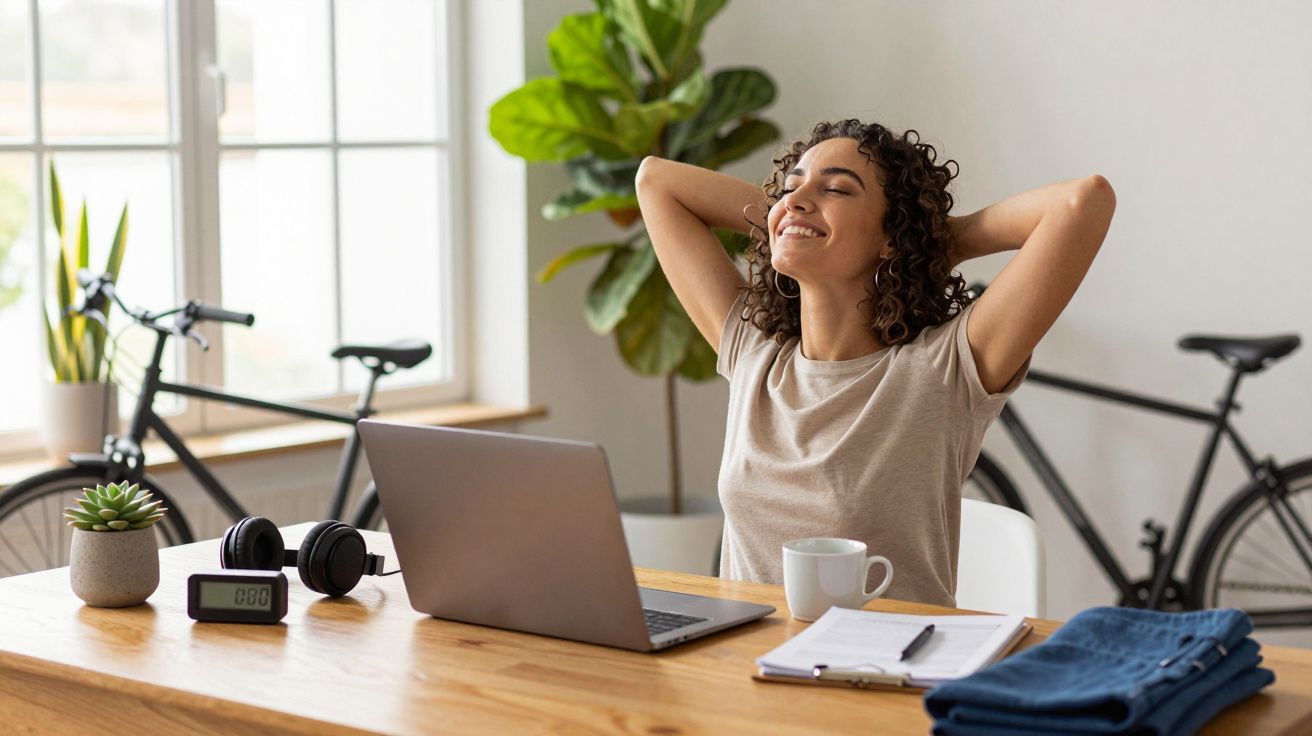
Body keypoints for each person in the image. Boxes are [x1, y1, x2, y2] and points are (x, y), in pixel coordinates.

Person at [634, 119, 1115, 606]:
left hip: (894, 652)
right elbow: (655, 181)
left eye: (837, 189)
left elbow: (1083, 201)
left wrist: (929, 238)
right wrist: (792, 217)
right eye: (790, 186)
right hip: (753, 652)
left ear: (891, 235)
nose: (796, 198)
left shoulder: (941, 370)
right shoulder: (753, 356)